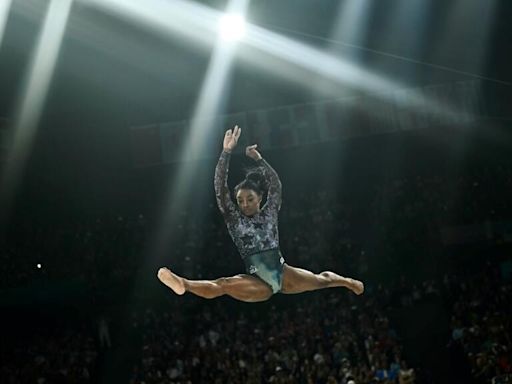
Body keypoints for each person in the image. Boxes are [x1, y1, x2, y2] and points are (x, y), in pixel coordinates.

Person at [157, 125, 364, 302]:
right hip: (257, 282)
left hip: (283, 273)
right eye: (240, 201)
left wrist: (259, 159)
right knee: (224, 285)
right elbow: (220, 188)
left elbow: (276, 185)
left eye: (249, 199)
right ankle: (183, 284)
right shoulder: (234, 219)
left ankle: (347, 281)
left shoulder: (269, 212)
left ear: (260, 199)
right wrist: (226, 152)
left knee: (322, 281)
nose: (244, 204)